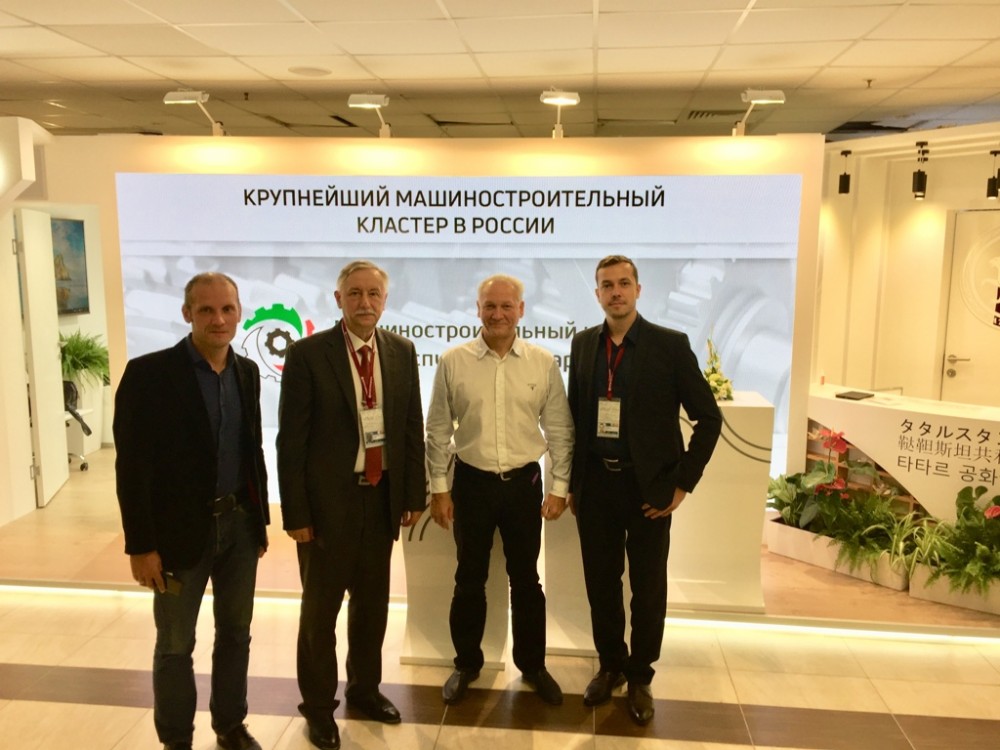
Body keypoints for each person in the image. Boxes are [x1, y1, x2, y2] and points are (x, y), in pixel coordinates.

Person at [114, 272, 270, 750]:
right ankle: (177, 738)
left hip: (239, 527)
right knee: (176, 644)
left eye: (227, 309)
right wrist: (141, 546)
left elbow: (252, 450)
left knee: (236, 634)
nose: (218, 319)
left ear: (239, 313)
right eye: (206, 310)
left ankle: (230, 726)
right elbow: (131, 469)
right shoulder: (148, 375)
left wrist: (260, 524)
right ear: (187, 314)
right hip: (179, 535)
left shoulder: (247, 372)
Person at [277, 260, 426, 750]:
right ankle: (319, 709)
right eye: (355, 293)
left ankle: (364, 690)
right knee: (320, 615)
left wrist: (412, 494)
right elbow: (291, 442)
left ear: (385, 300)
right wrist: (296, 514)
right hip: (326, 509)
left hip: (380, 500)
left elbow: (410, 427)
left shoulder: (402, 351)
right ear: (338, 299)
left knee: (372, 607)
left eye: (374, 294)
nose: (365, 302)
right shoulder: (308, 354)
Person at [567, 255, 722, 726]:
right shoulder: (583, 344)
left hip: (648, 489)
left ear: (638, 290)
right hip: (596, 485)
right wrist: (572, 484)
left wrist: (682, 483)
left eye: (623, 283)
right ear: (597, 293)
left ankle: (640, 675)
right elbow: (575, 418)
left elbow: (709, 418)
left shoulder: (669, 345)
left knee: (648, 588)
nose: (615, 292)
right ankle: (610, 665)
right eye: (606, 285)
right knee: (601, 582)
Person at [426, 274, 573, 707]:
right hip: (471, 484)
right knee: (468, 579)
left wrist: (559, 487)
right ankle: (466, 664)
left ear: (521, 310)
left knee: (526, 580)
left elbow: (560, 430)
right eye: (490, 306)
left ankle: (533, 666)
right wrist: (439, 489)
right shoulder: (453, 361)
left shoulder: (542, 362)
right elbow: (437, 430)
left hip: (523, 485)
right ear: (478, 309)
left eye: (507, 306)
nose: (498, 314)